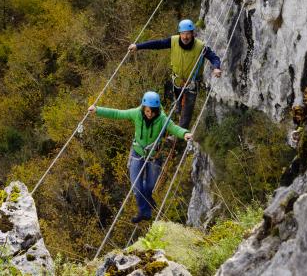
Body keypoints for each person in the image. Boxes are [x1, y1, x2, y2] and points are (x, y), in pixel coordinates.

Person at [88, 90, 192, 223]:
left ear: (156, 110)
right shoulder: (137, 113)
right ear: (143, 108)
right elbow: (117, 113)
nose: (149, 114)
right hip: (137, 153)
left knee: (149, 186)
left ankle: (148, 199)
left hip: (154, 156)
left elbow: (174, 128)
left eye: (152, 111)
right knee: (136, 188)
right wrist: (97, 110)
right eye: (147, 111)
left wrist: (184, 134)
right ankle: (145, 211)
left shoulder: (162, 119)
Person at [128, 19, 222, 129]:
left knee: (187, 110)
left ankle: (179, 135)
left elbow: (214, 57)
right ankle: (177, 112)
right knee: (178, 105)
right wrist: (138, 46)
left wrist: (216, 68)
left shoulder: (201, 47)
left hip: (192, 83)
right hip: (177, 82)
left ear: (192, 34)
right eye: (183, 34)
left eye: (188, 34)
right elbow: (157, 44)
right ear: (180, 34)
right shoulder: (173, 41)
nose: (185, 37)